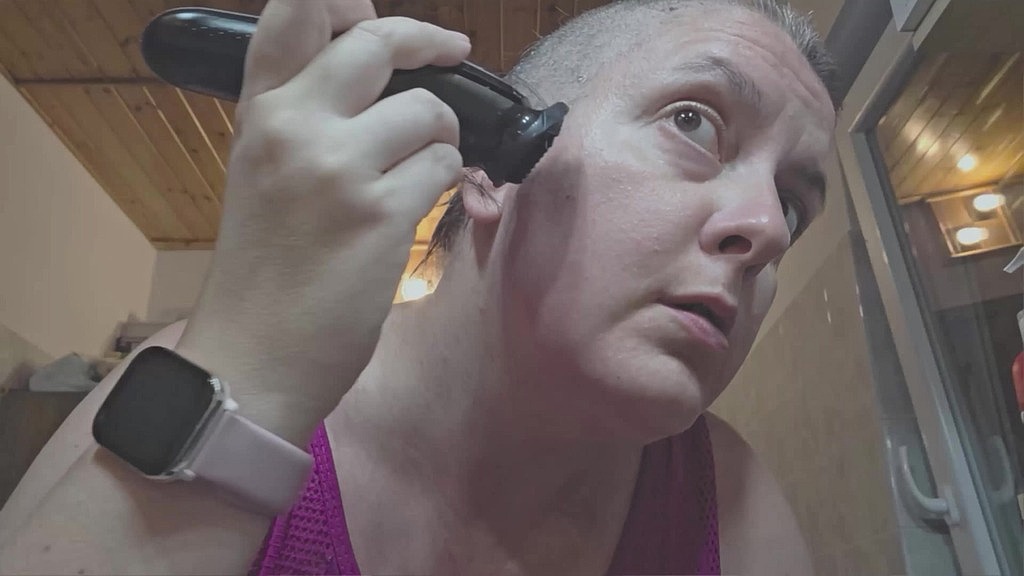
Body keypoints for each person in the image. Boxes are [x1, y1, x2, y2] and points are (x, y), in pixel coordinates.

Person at [0, 0, 840, 573]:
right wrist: (252, 373)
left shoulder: (726, 499)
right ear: (492, 163)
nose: (767, 228)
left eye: (795, 204)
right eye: (693, 121)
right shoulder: (196, 380)